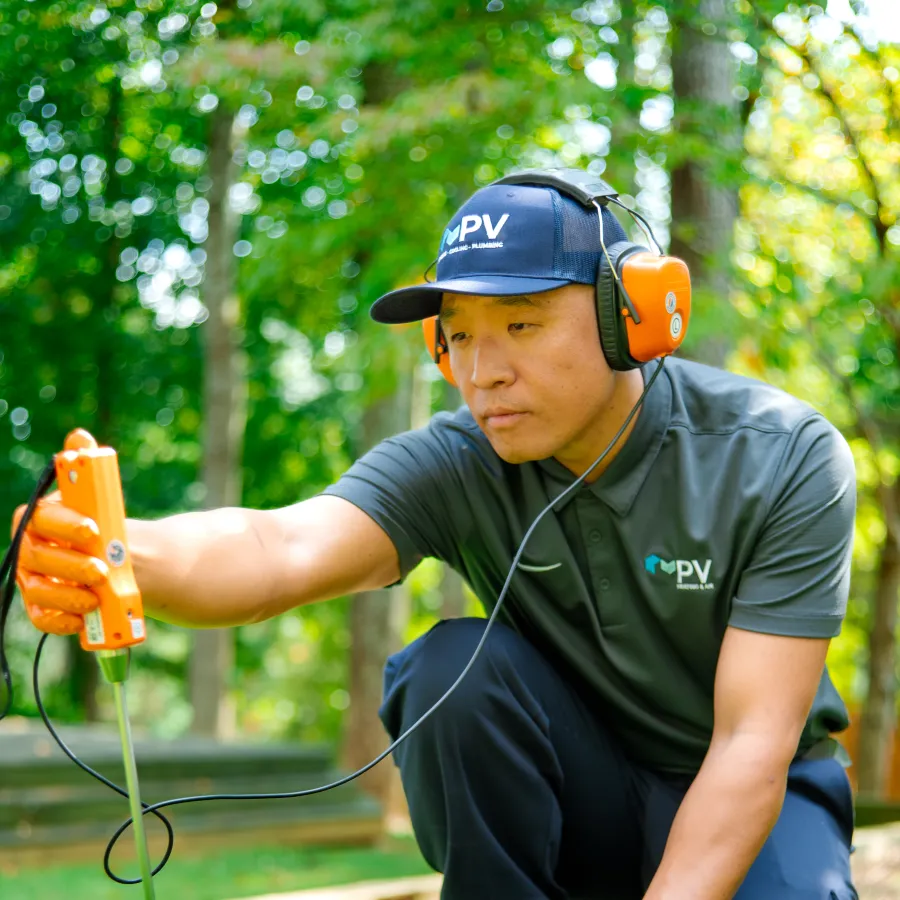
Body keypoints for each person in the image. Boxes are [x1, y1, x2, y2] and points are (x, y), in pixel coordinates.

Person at [13, 168, 858, 900]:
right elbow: (281, 548)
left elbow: (754, 741)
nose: (483, 373)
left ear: (628, 320)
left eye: (520, 326)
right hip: (579, 795)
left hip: (756, 792)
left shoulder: (779, 455)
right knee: (453, 669)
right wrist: (123, 553)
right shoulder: (459, 458)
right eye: (458, 337)